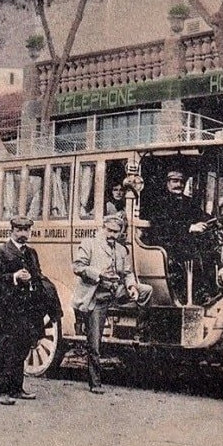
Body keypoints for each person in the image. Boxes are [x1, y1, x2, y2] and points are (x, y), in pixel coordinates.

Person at [0, 216, 64, 405]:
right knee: (7, 349)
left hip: (29, 308)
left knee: (23, 348)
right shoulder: (0, 252)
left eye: (26, 230)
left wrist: (34, 280)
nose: (23, 234)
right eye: (19, 230)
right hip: (10, 308)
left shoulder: (31, 253)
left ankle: (16, 388)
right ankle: (1, 392)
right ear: (11, 230)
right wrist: (14, 276)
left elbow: (37, 275)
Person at [72, 214, 151, 394]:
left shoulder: (122, 250)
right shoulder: (89, 244)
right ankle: (95, 382)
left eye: (116, 232)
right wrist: (98, 275)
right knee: (94, 341)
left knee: (146, 290)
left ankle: (140, 331)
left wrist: (131, 286)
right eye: (109, 231)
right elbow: (77, 267)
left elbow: (128, 273)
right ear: (102, 228)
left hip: (116, 292)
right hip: (96, 295)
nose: (112, 235)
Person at [144, 168, 211, 304]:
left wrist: (212, 220)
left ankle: (207, 293)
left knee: (210, 254)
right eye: (175, 181)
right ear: (167, 183)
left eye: (181, 181)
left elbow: (201, 216)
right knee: (191, 255)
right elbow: (162, 225)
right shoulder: (158, 202)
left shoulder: (188, 202)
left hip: (185, 242)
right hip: (165, 243)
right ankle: (191, 297)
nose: (179, 185)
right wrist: (189, 227)